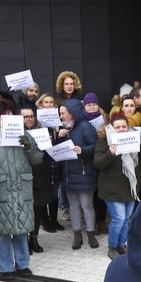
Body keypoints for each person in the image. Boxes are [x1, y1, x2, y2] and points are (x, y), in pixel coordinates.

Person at [0, 99, 42, 279]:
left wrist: (29, 145)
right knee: (3, 231)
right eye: (3, 115)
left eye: (11, 114)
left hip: (21, 188)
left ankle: (23, 264)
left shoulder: (25, 134)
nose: (8, 118)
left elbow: (37, 159)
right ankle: (5, 266)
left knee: (21, 227)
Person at [94, 112, 141, 259]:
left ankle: (122, 245)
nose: (121, 129)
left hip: (130, 187)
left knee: (127, 218)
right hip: (112, 188)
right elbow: (98, 163)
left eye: (124, 126)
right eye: (118, 127)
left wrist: (138, 184)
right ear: (111, 127)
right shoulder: (104, 140)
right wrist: (110, 152)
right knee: (119, 218)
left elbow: (139, 165)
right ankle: (112, 247)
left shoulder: (133, 139)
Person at [58, 99, 99, 250]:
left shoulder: (85, 127)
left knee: (87, 206)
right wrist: (59, 137)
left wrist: (83, 150)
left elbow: (95, 147)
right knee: (73, 206)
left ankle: (91, 234)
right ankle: (77, 235)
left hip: (84, 173)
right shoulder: (63, 129)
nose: (61, 116)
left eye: (63, 113)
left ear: (72, 113)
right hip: (69, 175)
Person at [21, 106, 53, 253]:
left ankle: (34, 238)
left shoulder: (42, 130)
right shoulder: (16, 134)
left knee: (38, 209)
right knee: (25, 211)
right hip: (23, 176)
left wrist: (49, 144)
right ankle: (24, 241)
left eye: (31, 116)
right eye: (25, 116)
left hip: (40, 175)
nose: (29, 119)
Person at [35, 93, 64, 232]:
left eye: (51, 102)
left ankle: (54, 219)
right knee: (43, 193)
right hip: (42, 162)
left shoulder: (57, 121)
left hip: (55, 161)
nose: (49, 105)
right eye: (46, 102)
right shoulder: (36, 122)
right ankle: (45, 221)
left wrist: (59, 136)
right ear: (41, 104)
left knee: (55, 193)